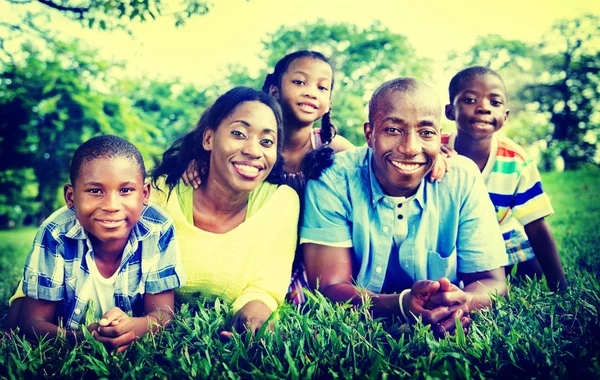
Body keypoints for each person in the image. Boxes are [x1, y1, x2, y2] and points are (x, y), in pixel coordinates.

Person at [301, 78, 508, 336]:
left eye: (426, 133)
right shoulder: (333, 178)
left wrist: (461, 302)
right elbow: (329, 287)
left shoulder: (462, 177)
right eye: (393, 130)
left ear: (438, 136)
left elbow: (493, 281)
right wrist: (400, 304)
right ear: (370, 134)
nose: (410, 148)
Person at [4, 135, 184, 353]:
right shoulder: (56, 233)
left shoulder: (158, 228)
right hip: (66, 323)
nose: (111, 205)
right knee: (13, 322)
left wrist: (133, 327)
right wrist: (84, 339)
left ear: (144, 194)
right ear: (71, 197)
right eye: (95, 191)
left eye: (126, 190)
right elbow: (32, 325)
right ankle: (24, 290)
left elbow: (163, 315)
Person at [151, 87, 299, 337]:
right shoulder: (161, 194)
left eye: (267, 141)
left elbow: (265, 289)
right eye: (239, 134)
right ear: (208, 139)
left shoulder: (282, 202)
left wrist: (255, 323)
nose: (253, 150)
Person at [443, 66, 567, 291]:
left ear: (505, 116)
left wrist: (560, 285)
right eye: (470, 100)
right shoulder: (436, 149)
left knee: (532, 274)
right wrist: (433, 159)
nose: (483, 108)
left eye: (495, 103)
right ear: (450, 111)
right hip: (447, 241)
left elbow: (536, 225)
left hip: (502, 239)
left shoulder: (516, 161)